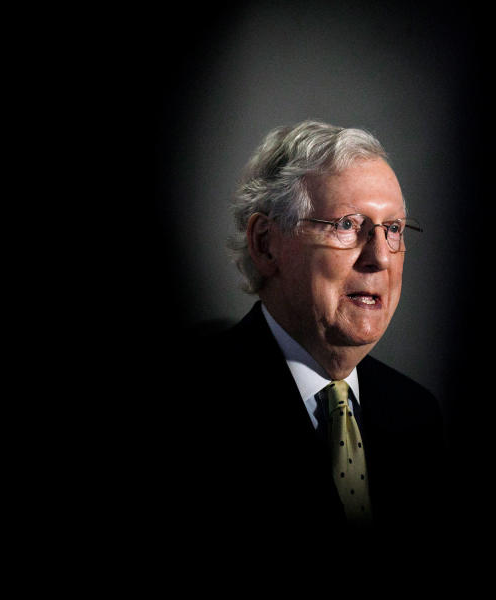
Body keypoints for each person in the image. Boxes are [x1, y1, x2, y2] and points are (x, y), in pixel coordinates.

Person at [188, 120, 447, 539]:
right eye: (347, 225)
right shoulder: (198, 401)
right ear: (266, 243)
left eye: (394, 229)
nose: (380, 257)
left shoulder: (416, 415)